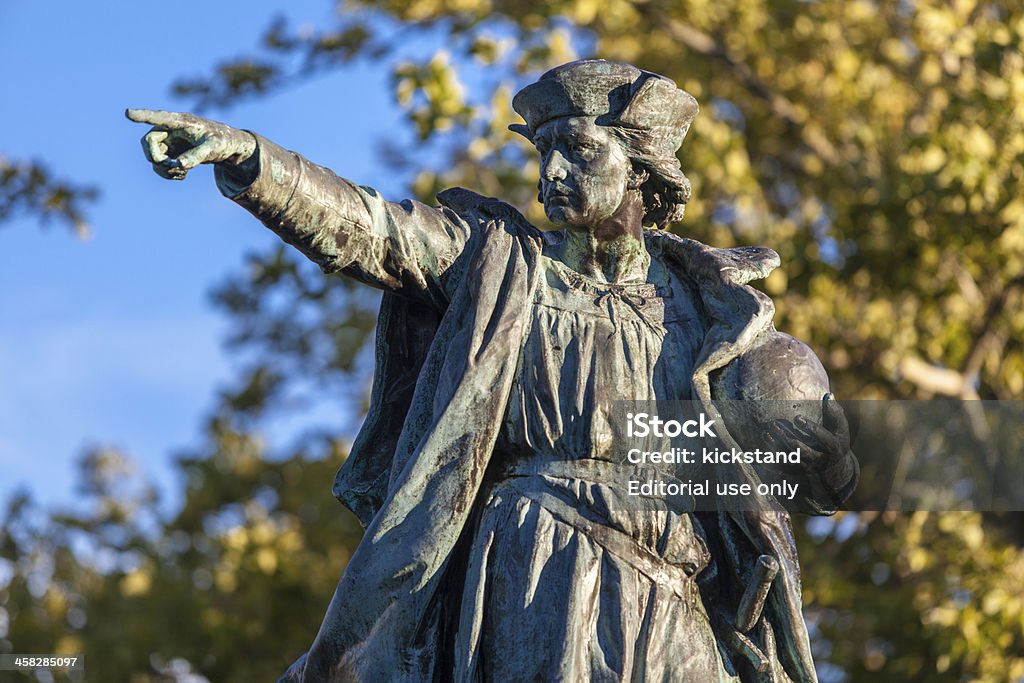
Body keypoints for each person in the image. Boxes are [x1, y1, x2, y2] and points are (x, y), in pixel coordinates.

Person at [128, 59, 857, 683]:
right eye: (542, 154)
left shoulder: (708, 310)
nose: (552, 174)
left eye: (577, 150)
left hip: (676, 599)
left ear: (640, 165)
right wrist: (251, 159)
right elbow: (371, 229)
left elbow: (802, 481)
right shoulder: (500, 264)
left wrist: (820, 452)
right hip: (542, 571)